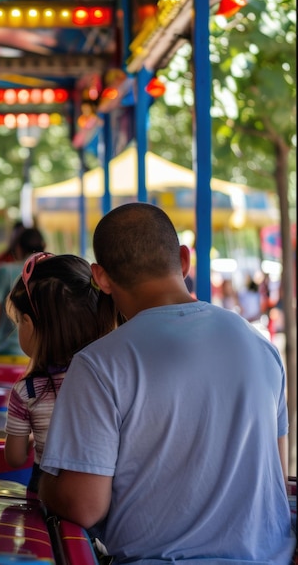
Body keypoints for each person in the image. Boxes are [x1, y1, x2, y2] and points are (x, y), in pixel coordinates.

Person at [39, 202, 294, 564]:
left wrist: (47, 478)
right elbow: (276, 479)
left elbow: (84, 506)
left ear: (101, 277)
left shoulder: (99, 364)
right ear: (184, 259)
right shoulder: (260, 347)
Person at [3, 253, 117, 494]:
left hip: (48, 496)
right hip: (99, 493)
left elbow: (15, 457)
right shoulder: (108, 382)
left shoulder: (27, 391)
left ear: (29, 323)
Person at [0, 227, 46, 362]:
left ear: (18, 248)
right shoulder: (50, 275)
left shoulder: (5, 271)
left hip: (6, 356)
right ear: (44, 247)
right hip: (39, 359)